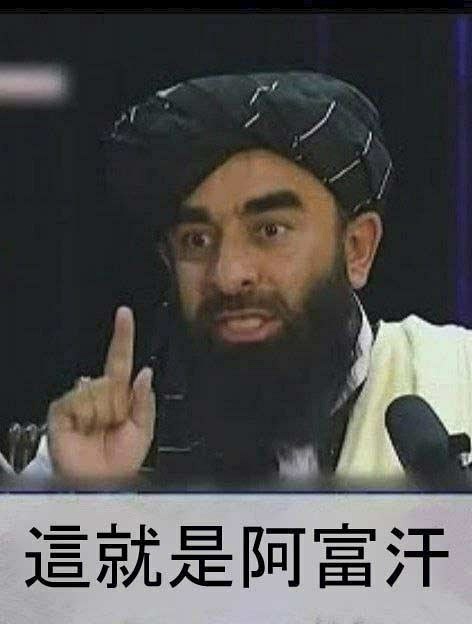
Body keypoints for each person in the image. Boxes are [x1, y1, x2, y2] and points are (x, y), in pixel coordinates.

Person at [23, 71, 472, 489]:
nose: (228, 274)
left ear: (356, 248)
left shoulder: (456, 378)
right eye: (197, 240)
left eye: (269, 230)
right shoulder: (109, 444)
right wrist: (88, 500)